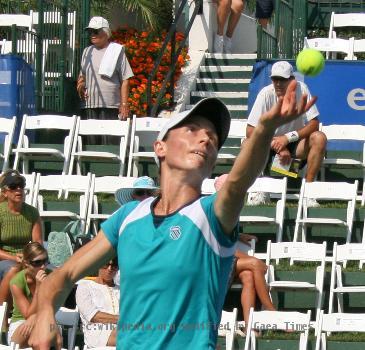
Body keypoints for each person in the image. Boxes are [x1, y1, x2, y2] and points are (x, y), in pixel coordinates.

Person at [29, 83, 317, 349]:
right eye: (192, 129)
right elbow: (62, 275)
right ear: (160, 147)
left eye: (213, 139)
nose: (206, 138)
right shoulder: (129, 216)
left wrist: (264, 130)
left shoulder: (211, 215)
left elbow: (240, 180)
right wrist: (45, 316)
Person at [246, 61, 327, 206]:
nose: (278, 83)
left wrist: (287, 139)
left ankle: (308, 194)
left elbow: (314, 124)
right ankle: (260, 190)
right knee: (247, 144)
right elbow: (250, 131)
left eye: (282, 79)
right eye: (275, 79)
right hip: (268, 149)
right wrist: (278, 145)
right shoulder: (265, 94)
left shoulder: (302, 89)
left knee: (319, 138)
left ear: (292, 80)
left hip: (295, 150)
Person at [214, 174, 275, 333]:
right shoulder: (214, 210)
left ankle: (250, 326)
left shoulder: (227, 209)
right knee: (256, 265)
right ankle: (272, 312)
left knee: (248, 275)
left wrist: (239, 235)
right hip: (215, 261)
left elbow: (226, 237)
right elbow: (221, 245)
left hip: (226, 259)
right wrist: (251, 259)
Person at [76, 16, 134, 144]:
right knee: (91, 143)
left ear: (106, 32)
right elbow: (83, 75)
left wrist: (124, 105)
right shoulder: (87, 52)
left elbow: (126, 79)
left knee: (108, 143)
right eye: (90, 31)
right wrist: (80, 84)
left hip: (110, 105)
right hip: (89, 104)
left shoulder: (116, 51)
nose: (92, 34)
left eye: (96, 31)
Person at [0, 170, 43, 311]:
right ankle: (3, 314)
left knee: (53, 272)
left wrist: (32, 258)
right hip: (4, 259)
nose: (18, 189)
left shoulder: (32, 212)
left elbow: (37, 242)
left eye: (21, 185)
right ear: (5, 192)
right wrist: (14, 257)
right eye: (13, 186)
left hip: (26, 257)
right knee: (14, 269)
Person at [8, 242, 49, 348]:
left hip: (45, 321)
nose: (43, 266)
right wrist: (39, 288)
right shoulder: (16, 282)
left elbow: (55, 305)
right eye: (37, 262)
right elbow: (27, 314)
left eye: (45, 261)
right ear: (26, 263)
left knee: (45, 330)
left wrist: (36, 318)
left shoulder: (50, 277)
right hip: (21, 324)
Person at [76, 258, 119, 348]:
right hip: (98, 332)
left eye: (114, 265)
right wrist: (122, 319)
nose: (109, 268)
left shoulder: (121, 290)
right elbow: (93, 316)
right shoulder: (85, 286)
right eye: (106, 264)